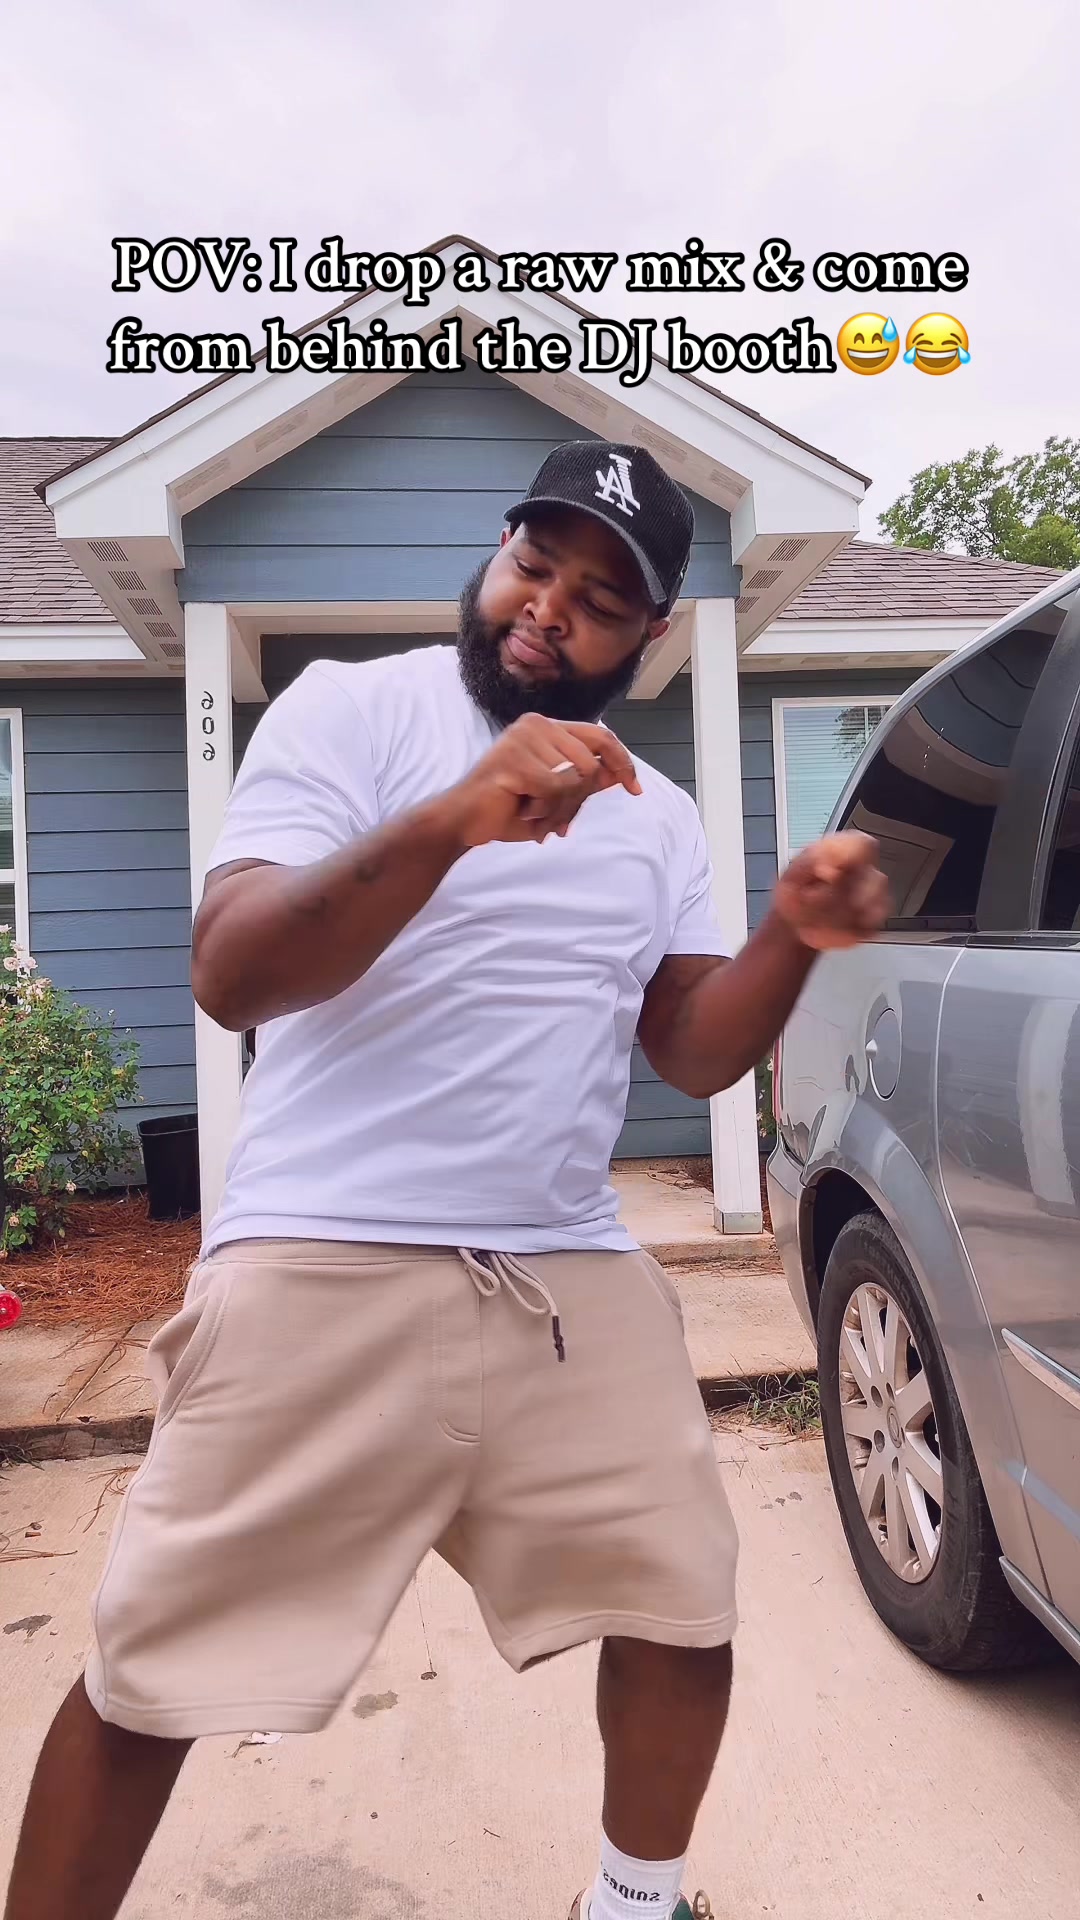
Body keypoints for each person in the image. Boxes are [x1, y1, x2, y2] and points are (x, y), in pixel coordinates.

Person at [4, 441, 887, 1920]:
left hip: (563, 1271)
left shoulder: (661, 818)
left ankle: (632, 1903)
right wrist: (452, 818)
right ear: (498, 554)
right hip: (317, 1253)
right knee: (149, 1669)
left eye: (600, 599)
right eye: (535, 566)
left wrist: (792, 933)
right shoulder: (352, 713)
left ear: (648, 635)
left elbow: (689, 1052)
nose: (549, 608)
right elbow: (233, 975)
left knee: (683, 1607)